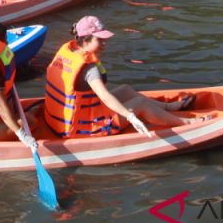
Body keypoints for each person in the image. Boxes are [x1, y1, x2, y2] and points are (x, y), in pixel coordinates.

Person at [44, 16, 208, 139]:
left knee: (125, 90)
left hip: (59, 120)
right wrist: (130, 116)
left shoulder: (70, 51)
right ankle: (185, 123)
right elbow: (105, 97)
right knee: (140, 103)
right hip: (81, 128)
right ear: (85, 40)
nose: (104, 44)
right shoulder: (89, 68)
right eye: (99, 40)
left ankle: (170, 108)